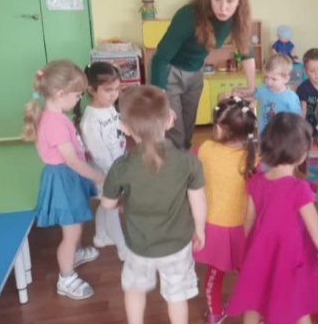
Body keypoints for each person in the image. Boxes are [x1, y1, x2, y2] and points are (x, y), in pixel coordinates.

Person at [101, 85, 207, 324]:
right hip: (178, 244)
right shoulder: (188, 161)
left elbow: (107, 204)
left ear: (124, 128)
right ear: (170, 120)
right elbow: (198, 200)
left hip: (138, 246)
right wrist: (200, 229)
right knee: (177, 296)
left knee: (135, 291)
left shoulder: (121, 167)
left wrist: (121, 204)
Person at [224, 113, 318, 324]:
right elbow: (315, 227)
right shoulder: (299, 188)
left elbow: (248, 221)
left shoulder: (256, 181)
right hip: (290, 259)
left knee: (253, 301)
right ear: (302, 153)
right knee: (298, 305)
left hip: (259, 254)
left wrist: (247, 253)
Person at [23, 60, 105, 300]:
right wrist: (99, 177)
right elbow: (71, 161)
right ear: (60, 94)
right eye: (77, 95)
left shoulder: (55, 116)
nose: (79, 99)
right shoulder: (54, 123)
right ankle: (66, 278)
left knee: (76, 221)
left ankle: (75, 254)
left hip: (67, 177)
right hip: (63, 179)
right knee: (71, 232)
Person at [149, 0, 256, 150]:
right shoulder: (188, 15)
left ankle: (184, 161)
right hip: (170, 72)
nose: (223, 8)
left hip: (196, 73)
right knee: (173, 129)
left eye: (230, 0)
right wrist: (159, 99)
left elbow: (246, 51)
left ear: (239, 1)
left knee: (188, 130)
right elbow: (160, 59)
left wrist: (251, 87)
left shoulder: (238, 18)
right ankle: (175, 164)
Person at [194, 95, 256, 324]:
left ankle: (214, 314)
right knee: (248, 273)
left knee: (214, 273)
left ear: (220, 128)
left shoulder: (205, 149)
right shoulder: (253, 157)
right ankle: (254, 312)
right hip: (244, 227)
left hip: (213, 226)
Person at [79, 62, 127, 260]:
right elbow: (98, 154)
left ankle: (100, 237)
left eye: (116, 89)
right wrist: (115, 175)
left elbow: (118, 128)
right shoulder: (90, 120)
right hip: (105, 175)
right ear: (91, 89)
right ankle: (123, 250)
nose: (113, 94)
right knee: (112, 208)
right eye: (108, 90)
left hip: (116, 168)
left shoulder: (109, 108)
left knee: (104, 204)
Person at [252, 53, 301, 134]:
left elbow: (296, 120)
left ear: (286, 79)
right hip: (264, 135)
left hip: (282, 137)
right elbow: (252, 94)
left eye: (273, 79)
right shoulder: (263, 89)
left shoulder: (291, 98)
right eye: (266, 77)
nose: (268, 82)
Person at [297, 48, 318, 137]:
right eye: (312, 71)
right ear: (305, 71)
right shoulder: (303, 89)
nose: (317, 74)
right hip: (308, 131)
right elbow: (302, 112)